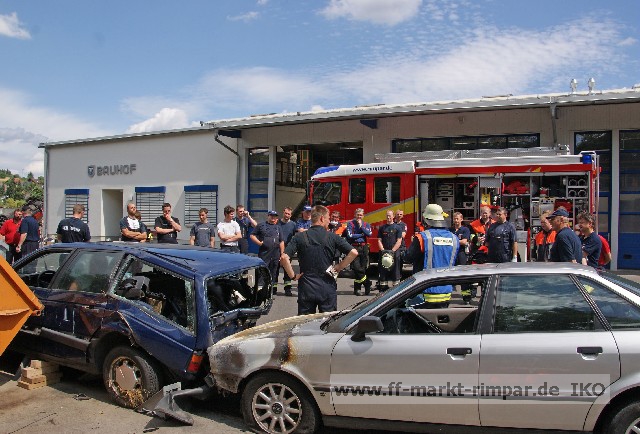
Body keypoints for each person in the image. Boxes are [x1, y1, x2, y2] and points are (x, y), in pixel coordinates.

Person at [280, 205, 358, 315]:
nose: (329, 221)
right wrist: (339, 267)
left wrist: (293, 276)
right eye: (328, 218)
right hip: (327, 286)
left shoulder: (299, 237)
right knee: (327, 322)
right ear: (322, 218)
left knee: (305, 322)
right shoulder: (332, 237)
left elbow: (284, 258)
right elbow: (353, 252)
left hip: (306, 287)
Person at [403, 204, 459, 308]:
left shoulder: (422, 237)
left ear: (426, 220)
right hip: (446, 292)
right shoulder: (454, 238)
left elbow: (408, 258)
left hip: (423, 291)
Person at [250, 211, 285, 294]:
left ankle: (270, 292)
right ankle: (260, 292)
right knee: (262, 271)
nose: (273, 218)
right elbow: (252, 235)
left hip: (275, 254)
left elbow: (281, 241)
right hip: (264, 253)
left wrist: (282, 253)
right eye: (271, 216)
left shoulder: (278, 227)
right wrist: (259, 243)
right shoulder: (261, 225)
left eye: (275, 216)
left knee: (273, 273)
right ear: (268, 216)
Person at [345, 208, 373, 295]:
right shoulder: (350, 224)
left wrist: (362, 227)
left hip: (364, 247)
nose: (359, 217)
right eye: (358, 215)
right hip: (354, 247)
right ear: (355, 215)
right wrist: (361, 234)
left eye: (361, 215)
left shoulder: (366, 224)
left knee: (363, 268)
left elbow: (369, 234)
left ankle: (357, 289)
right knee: (356, 268)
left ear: (363, 216)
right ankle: (367, 283)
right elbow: (350, 236)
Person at [451, 212, 473, 303]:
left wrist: (452, 241)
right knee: (449, 275)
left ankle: (466, 297)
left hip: (461, 254)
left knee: (463, 275)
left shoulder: (465, 229)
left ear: (461, 219)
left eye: (457, 218)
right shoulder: (450, 230)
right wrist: (458, 241)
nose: (456, 220)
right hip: (452, 255)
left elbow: (464, 242)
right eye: (454, 218)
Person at [377, 210, 403, 289]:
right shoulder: (382, 228)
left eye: (390, 216)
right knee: (383, 272)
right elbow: (379, 240)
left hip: (394, 253)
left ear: (393, 216)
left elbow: (399, 241)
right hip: (384, 253)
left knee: (395, 271)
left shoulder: (398, 228)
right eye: (387, 215)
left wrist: (392, 251)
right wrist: (383, 251)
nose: (388, 217)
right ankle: (383, 288)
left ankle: (396, 289)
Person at [278, 207, 297, 296]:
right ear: (283, 213)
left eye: (288, 214)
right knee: (275, 269)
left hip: (288, 250)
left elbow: (295, 237)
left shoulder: (293, 224)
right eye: (285, 213)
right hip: (277, 249)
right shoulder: (277, 222)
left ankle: (287, 289)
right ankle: (274, 288)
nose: (287, 215)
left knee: (287, 269)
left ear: (291, 215)